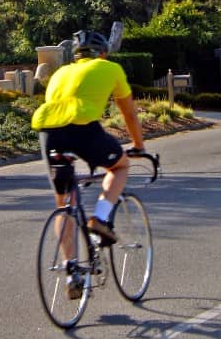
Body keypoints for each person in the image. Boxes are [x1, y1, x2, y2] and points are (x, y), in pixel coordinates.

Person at [32, 29, 145, 248]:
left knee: (65, 204)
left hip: (48, 131)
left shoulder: (60, 73)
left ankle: (68, 266)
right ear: (102, 53)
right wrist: (138, 145)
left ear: (76, 55)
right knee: (120, 166)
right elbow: (129, 114)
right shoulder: (110, 67)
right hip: (81, 127)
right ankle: (100, 219)